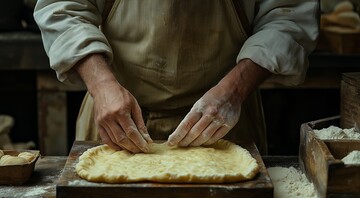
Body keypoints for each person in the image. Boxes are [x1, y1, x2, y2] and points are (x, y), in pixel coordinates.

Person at [34, 0, 319, 154]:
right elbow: (62, 8)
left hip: (225, 124)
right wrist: (102, 84)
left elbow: (288, 18)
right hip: (115, 119)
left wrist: (234, 91)